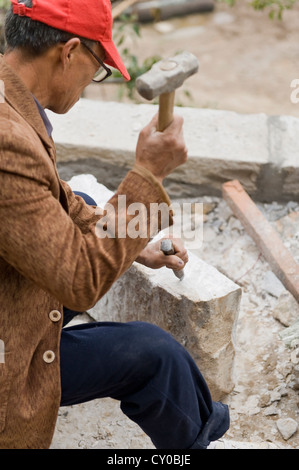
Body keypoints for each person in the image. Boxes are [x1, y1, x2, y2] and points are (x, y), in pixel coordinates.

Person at [0, 0, 229, 449]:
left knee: (82, 203)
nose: (91, 83)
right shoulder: (8, 142)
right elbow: (80, 282)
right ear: (68, 52)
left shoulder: (10, 98)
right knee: (152, 354)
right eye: (98, 66)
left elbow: (58, 199)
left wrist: (134, 239)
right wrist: (148, 175)